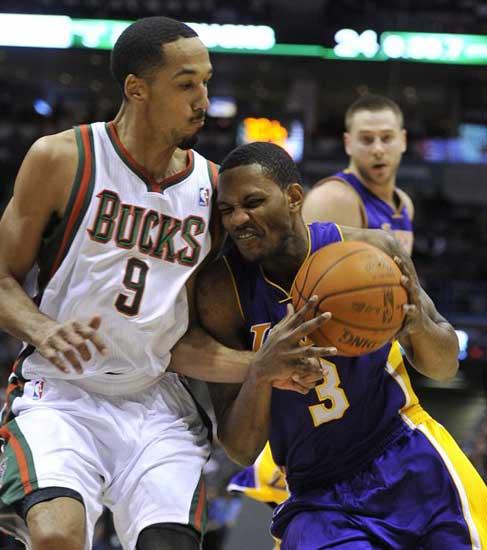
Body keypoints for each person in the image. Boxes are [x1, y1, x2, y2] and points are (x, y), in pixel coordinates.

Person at [0, 18, 328, 550]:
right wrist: (42, 329)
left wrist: (259, 364)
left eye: (206, 81)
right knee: (58, 536)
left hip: (156, 400)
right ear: (137, 89)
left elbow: (177, 341)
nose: (204, 100)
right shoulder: (63, 159)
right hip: (61, 393)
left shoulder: (213, 191)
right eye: (186, 84)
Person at [196, 141, 487, 549]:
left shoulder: (372, 252)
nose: (238, 219)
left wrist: (416, 325)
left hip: (406, 455)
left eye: (253, 202)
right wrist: (260, 371)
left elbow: (444, 366)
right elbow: (241, 449)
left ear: (294, 197)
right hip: (318, 494)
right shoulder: (222, 292)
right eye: (227, 209)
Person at [303, 94, 414, 254]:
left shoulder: (405, 204)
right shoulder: (331, 199)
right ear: (348, 143)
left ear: (403, 140)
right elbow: (309, 268)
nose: (378, 150)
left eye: (386, 138)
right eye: (367, 139)